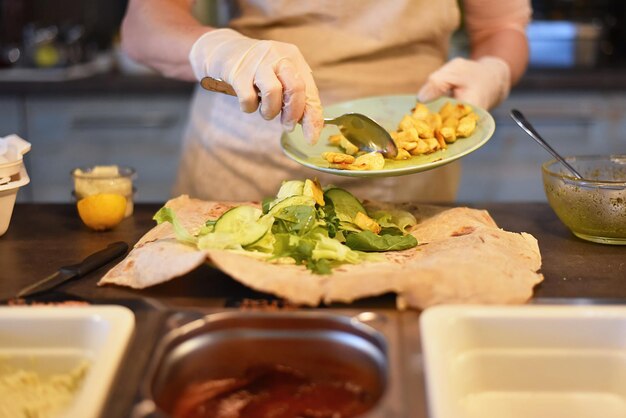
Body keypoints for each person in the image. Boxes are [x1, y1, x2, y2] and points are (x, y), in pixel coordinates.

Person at [121, 0, 531, 202]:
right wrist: (219, 51)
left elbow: (501, 26)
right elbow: (144, 25)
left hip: (411, 157)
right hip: (248, 149)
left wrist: (493, 70)